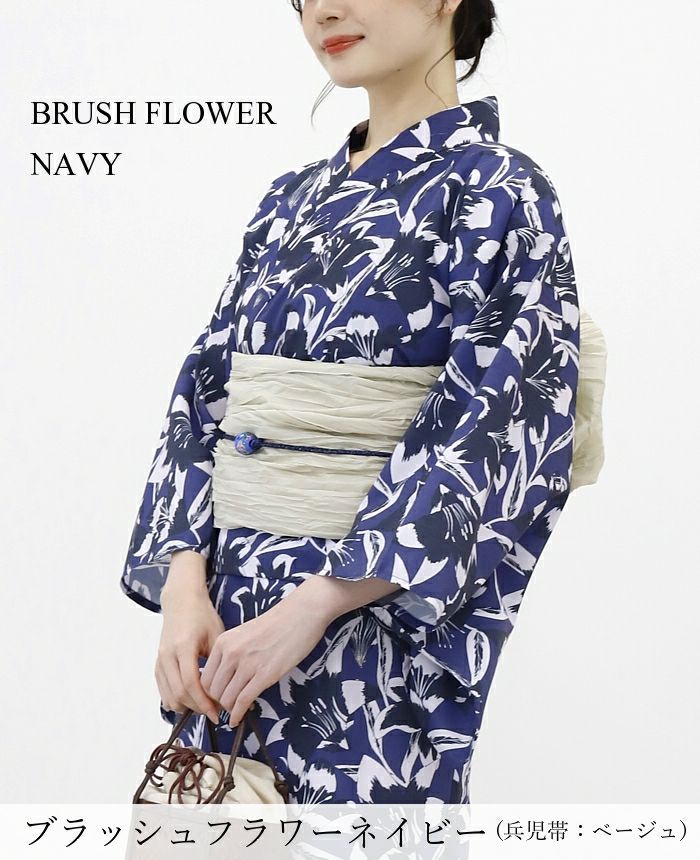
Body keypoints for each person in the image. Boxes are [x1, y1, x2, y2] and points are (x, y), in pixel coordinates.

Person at [120, 0, 603, 804]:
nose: (325, 10)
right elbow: (206, 394)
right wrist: (181, 586)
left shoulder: (499, 190)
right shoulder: (288, 199)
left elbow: (496, 427)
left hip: (371, 630)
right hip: (225, 629)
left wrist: (316, 605)